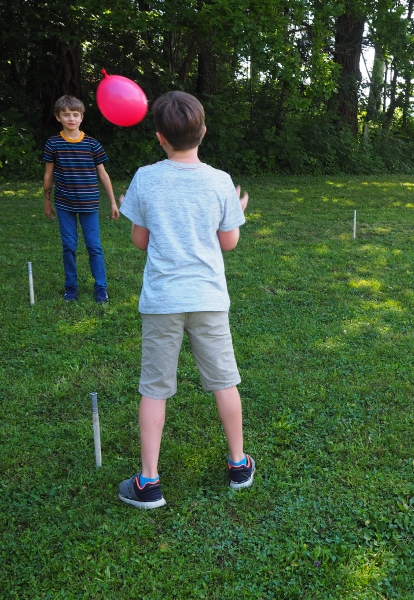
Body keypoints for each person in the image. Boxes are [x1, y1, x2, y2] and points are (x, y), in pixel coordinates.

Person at [117, 91, 253, 509]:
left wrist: (136, 210)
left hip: (162, 300)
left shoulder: (144, 178)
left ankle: (149, 483)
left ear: (160, 137)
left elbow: (140, 241)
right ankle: (238, 465)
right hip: (208, 299)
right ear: (203, 132)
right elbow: (229, 242)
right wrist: (236, 208)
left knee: (154, 388)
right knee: (224, 381)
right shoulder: (220, 181)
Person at [43, 95, 119, 303]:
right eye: (66, 115)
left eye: (75, 115)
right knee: (69, 246)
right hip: (64, 203)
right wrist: (47, 201)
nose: (71, 119)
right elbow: (48, 175)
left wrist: (113, 202)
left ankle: (101, 287)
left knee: (94, 247)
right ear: (58, 117)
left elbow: (103, 174)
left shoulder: (92, 144)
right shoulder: (53, 143)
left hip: (89, 203)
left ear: (81, 117)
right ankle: (71, 287)